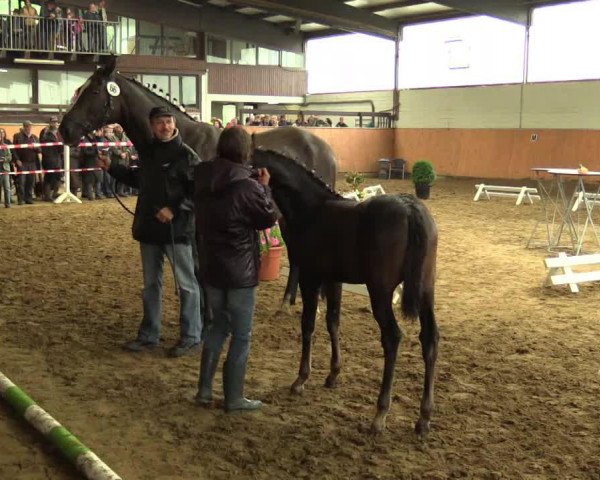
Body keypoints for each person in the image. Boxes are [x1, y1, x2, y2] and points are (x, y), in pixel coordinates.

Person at [97, 106, 203, 357]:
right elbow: (138, 180)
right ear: (152, 126)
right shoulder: (147, 153)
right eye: (159, 122)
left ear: (174, 123)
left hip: (176, 232)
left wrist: (175, 210)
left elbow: (197, 192)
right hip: (149, 230)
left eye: (168, 121)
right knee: (150, 286)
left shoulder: (188, 156)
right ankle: (149, 335)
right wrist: (112, 167)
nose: (164, 126)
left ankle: (191, 336)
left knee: (187, 286)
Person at [195, 127, 278, 412]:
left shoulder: (202, 177)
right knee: (241, 335)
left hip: (211, 265)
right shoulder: (248, 186)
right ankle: (234, 397)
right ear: (245, 151)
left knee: (217, 328)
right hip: (240, 272)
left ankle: (204, 391)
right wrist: (265, 187)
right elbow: (267, 219)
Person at [13, 120, 41, 205]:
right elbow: (13, 149)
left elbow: (40, 150)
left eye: (31, 126)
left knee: (30, 181)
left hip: (32, 163)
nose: (30, 128)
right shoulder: (17, 136)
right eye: (28, 126)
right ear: (24, 127)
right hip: (22, 162)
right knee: (21, 182)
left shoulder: (34, 138)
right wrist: (17, 160)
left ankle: (28, 198)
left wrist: (36, 147)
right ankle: (20, 199)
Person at [40, 116, 62, 201]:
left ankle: (55, 193)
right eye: (53, 122)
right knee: (48, 177)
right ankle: (47, 196)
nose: (55, 123)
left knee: (58, 177)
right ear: (50, 123)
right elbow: (44, 145)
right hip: (48, 158)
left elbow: (61, 144)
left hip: (57, 158)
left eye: (56, 122)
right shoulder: (45, 132)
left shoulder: (58, 132)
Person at [0, 128, 16, 208]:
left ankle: (8, 204)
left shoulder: (6, 146)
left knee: (7, 187)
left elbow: (10, 157)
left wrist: (4, 159)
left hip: (5, 168)